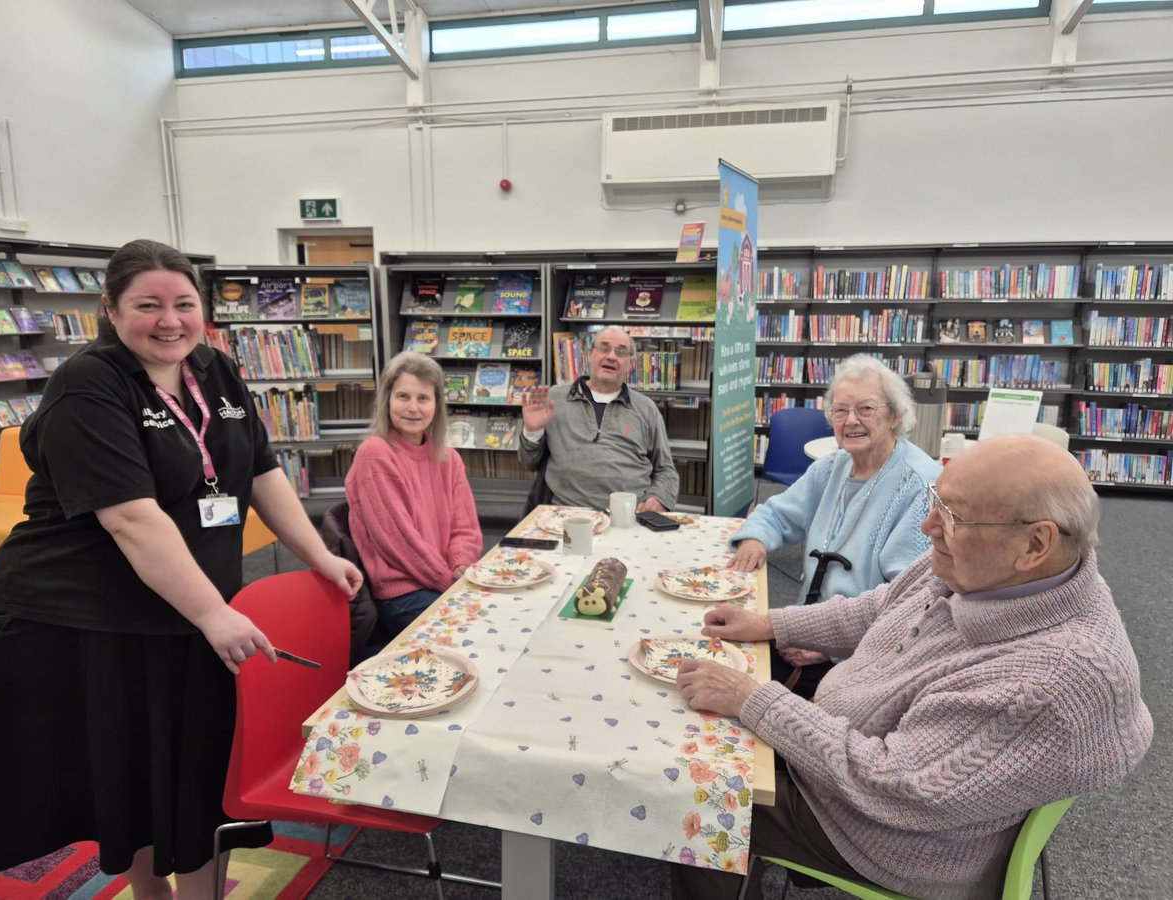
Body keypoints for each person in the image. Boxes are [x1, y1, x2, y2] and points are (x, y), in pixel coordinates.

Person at [0, 240, 362, 898]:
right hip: (92, 619)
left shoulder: (213, 367)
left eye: (184, 304)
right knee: (136, 785)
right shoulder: (88, 384)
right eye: (147, 305)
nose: (170, 320)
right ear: (110, 309)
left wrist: (321, 555)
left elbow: (260, 469)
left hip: (191, 611)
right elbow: (131, 518)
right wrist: (213, 613)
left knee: (202, 781)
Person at [675, 435, 1153, 900]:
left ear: (1035, 544)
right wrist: (769, 623)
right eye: (936, 501)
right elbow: (881, 607)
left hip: (885, 832)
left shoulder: (1048, 681)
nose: (928, 527)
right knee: (712, 729)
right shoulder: (990, 567)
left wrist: (755, 699)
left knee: (705, 794)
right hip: (850, 752)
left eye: (951, 515)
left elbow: (894, 786)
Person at [730, 354, 940, 696]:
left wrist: (828, 646)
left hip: (859, 659)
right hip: (801, 627)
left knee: (744, 699)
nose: (851, 421)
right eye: (840, 410)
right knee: (718, 652)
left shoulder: (919, 485)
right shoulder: (833, 468)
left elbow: (909, 606)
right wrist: (756, 539)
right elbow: (778, 513)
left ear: (896, 415)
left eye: (866, 409)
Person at [346, 351, 482, 657]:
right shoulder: (375, 454)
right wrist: (449, 584)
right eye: (403, 396)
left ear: (437, 405)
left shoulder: (449, 458)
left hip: (443, 582)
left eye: (423, 398)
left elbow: (466, 528)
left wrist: (461, 564)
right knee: (474, 638)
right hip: (402, 591)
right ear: (387, 400)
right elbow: (399, 543)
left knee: (499, 620)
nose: (412, 408)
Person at [518, 326, 678, 513]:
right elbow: (529, 463)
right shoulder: (554, 399)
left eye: (621, 352)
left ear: (630, 364)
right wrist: (532, 431)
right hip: (567, 515)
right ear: (590, 354)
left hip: (630, 516)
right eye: (604, 348)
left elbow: (666, 470)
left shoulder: (646, 408)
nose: (611, 356)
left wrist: (659, 498)